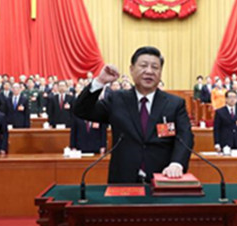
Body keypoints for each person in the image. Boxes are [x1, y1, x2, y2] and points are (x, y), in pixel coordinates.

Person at [73, 46, 193, 183]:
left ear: (160, 72)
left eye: (155, 67)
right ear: (131, 69)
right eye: (143, 65)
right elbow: (81, 111)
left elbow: (185, 136)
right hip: (123, 178)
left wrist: (177, 163)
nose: (149, 71)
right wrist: (100, 81)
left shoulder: (175, 104)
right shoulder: (116, 100)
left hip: (163, 177)